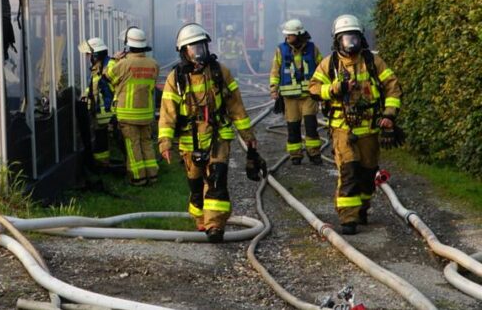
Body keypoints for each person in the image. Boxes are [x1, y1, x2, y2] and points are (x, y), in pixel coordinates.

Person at [158, 23, 266, 243]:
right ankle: (200, 219)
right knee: (196, 187)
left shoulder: (219, 72)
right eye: (192, 49)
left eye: (201, 48)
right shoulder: (176, 78)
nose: (198, 53)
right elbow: (168, 113)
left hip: (218, 135)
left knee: (217, 180)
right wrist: (165, 142)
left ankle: (215, 226)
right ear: (184, 53)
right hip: (190, 139)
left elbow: (237, 107)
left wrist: (249, 137)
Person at [308, 14, 403, 235]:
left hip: (370, 127)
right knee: (349, 171)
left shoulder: (372, 62)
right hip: (343, 127)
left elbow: (392, 87)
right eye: (345, 39)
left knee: (368, 173)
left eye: (354, 38)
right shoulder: (329, 64)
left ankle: (361, 209)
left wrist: (389, 114)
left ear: (361, 39)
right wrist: (335, 89)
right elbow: (313, 89)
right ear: (337, 41)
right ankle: (348, 219)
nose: (350, 44)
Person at [105, 27, 159, 186]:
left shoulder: (123, 64)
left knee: (133, 146)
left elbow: (108, 77)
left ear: (128, 46)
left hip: (128, 115)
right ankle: (152, 175)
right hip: (146, 113)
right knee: (147, 144)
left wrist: (114, 60)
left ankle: (138, 178)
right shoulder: (153, 64)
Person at [269, 19, 324, 165]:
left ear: (299, 35)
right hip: (289, 97)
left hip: (309, 95)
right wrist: (274, 88)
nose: (287, 37)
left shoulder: (312, 49)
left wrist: (323, 89)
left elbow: (322, 68)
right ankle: (295, 155)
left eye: (290, 35)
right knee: (293, 126)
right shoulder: (281, 50)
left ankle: (314, 154)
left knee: (311, 125)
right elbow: (275, 71)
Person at [78, 37, 115, 169]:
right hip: (102, 112)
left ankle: (104, 164)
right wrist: (84, 95)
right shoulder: (98, 68)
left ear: (95, 55)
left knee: (113, 138)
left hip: (110, 111)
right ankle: (103, 164)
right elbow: (94, 86)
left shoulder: (109, 66)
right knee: (101, 138)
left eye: (89, 54)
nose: (88, 57)